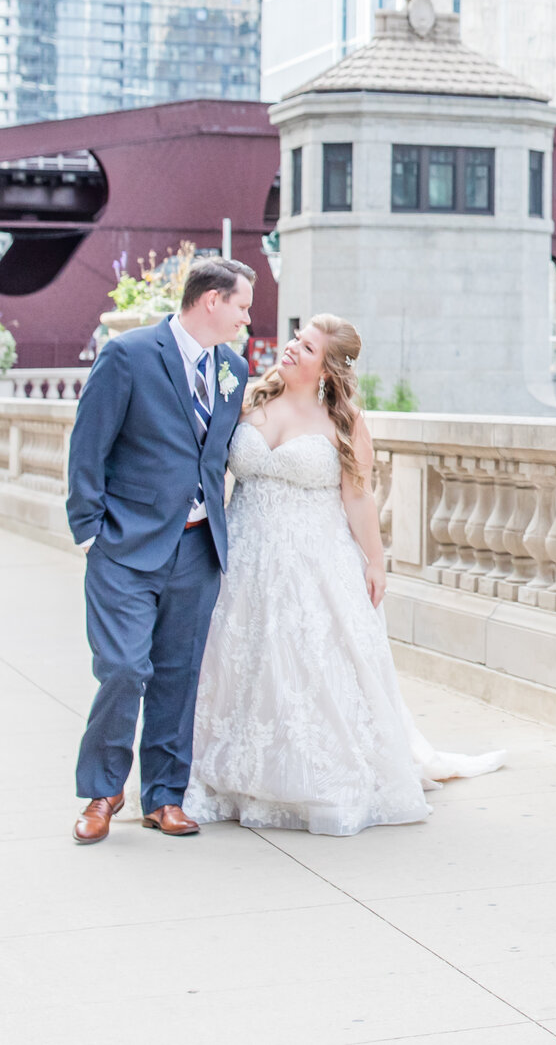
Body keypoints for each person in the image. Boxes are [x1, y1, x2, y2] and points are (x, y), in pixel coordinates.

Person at [184, 314, 503, 837]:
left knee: (308, 666)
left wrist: (375, 562)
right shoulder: (247, 401)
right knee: (239, 662)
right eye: (295, 339)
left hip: (314, 561)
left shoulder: (345, 421)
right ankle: (226, 774)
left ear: (327, 369)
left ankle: (312, 777)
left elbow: (358, 495)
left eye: (305, 347)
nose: (290, 349)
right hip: (243, 557)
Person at [63, 256, 257, 844]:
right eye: (243, 307)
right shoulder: (128, 355)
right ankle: (103, 791)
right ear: (212, 301)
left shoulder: (234, 369)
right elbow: (88, 445)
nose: (247, 320)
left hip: (198, 549)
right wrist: (92, 528)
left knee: (179, 675)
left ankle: (164, 796)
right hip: (126, 544)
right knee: (123, 668)